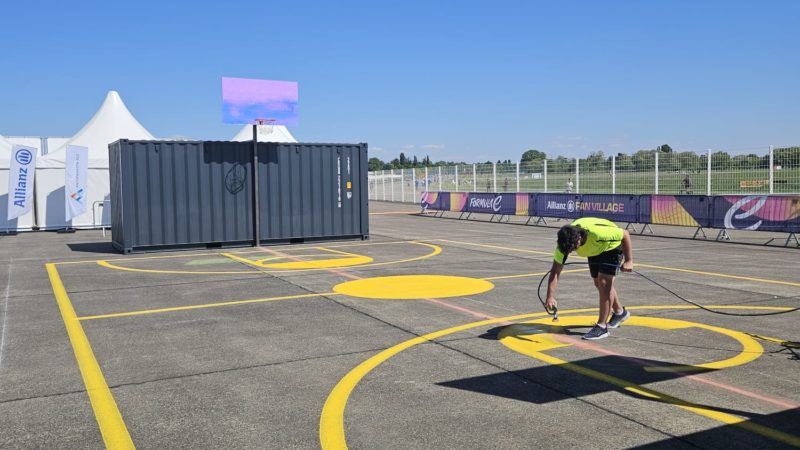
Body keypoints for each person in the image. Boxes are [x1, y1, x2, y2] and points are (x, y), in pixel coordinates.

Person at [545, 217, 634, 340]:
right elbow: (555, 271)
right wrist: (550, 296)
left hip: (610, 246)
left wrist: (629, 260)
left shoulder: (597, 234)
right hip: (594, 250)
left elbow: (625, 234)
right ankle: (620, 313)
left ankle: (602, 327)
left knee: (604, 283)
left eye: (573, 249)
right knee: (598, 283)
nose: (571, 252)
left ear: (579, 239)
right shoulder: (564, 244)